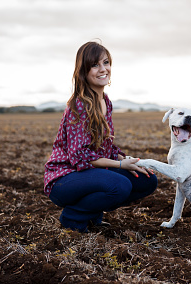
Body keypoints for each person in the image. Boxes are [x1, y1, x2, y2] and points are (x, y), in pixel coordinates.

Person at [44, 41, 157, 233]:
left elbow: (105, 146)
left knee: (147, 179)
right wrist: (121, 166)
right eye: (95, 65)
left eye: (106, 62)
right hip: (64, 178)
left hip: (87, 174)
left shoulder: (105, 101)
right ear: (84, 71)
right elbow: (79, 157)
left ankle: (91, 213)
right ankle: (73, 217)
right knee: (119, 185)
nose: (103, 69)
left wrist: (126, 160)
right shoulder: (78, 105)